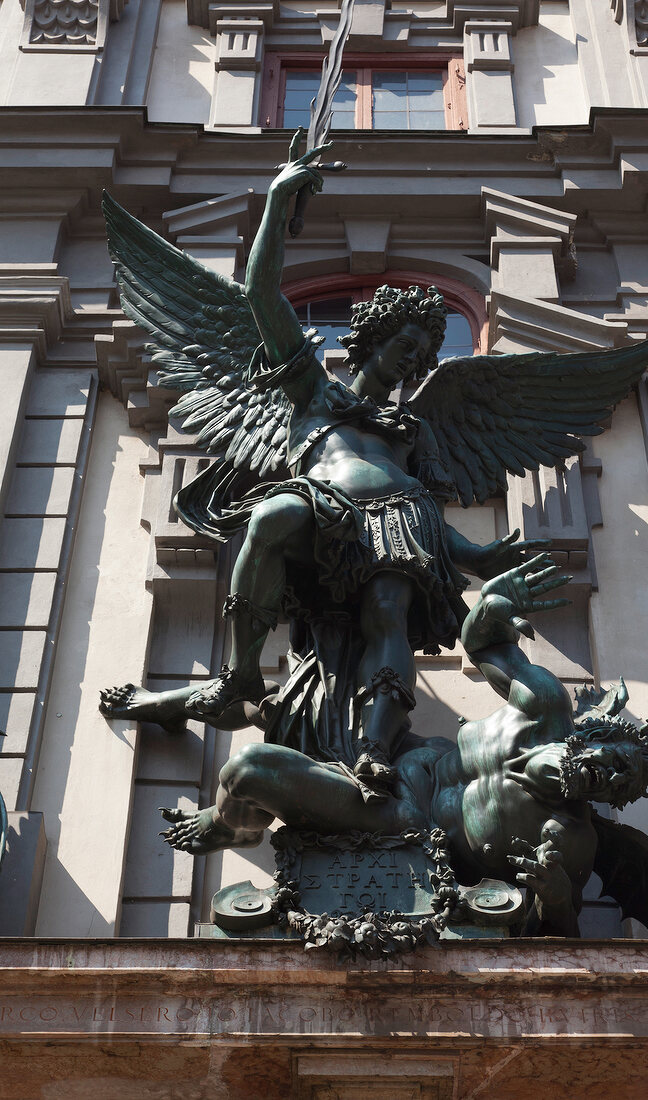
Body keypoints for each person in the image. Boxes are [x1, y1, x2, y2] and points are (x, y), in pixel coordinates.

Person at [171, 132, 543, 797]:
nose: (414, 358)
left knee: (387, 615)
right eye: (406, 343)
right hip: (324, 505)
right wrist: (279, 203)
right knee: (274, 514)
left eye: (425, 349)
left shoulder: (409, 426)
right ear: (374, 337)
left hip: (402, 522)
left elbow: (425, 496)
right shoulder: (313, 389)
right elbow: (260, 292)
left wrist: (477, 555)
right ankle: (240, 671)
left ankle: (375, 748)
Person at [161, 558, 648, 937]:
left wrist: (552, 896)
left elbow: (561, 936)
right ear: (595, 736)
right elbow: (483, 644)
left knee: (248, 768)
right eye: (619, 762)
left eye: (623, 788)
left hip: (396, 815)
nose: (612, 779)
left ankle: (232, 822)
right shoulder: (543, 709)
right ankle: (220, 796)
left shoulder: (569, 837)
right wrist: (491, 606)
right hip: (388, 752)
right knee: (281, 701)